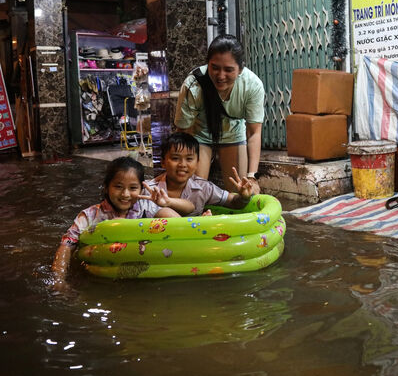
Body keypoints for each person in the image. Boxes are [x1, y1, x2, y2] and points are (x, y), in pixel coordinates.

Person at [51, 157, 181, 287]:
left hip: (141, 267)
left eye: (133, 188)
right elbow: (66, 246)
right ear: (107, 187)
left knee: (165, 213)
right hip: (103, 273)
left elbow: (179, 224)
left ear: (141, 189)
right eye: (118, 187)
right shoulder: (90, 215)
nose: (125, 194)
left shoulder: (146, 208)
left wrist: (165, 204)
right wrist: (59, 279)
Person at [175, 35, 265, 192]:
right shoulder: (193, 84)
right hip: (199, 136)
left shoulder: (252, 85)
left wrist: (252, 176)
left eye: (228, 70)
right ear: (207, 63)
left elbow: (254, 132)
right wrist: (181, 169)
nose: (220, 76)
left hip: (233, 134)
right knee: (194, 191)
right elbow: (184, 132)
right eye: (215, 67)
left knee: (240, 191)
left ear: (240, 69)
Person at [142, 132, 258, 216]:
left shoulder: (203, 187)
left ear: (197, 163)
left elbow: (233, 202)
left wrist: (244, 197)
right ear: (163, 162)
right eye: (175, 158)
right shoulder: (149, 190)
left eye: (189, 159)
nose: (183, 164)